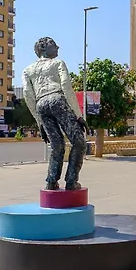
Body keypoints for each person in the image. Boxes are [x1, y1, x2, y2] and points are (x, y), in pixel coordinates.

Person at [22, 37, 89, 190]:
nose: (58, 47)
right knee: (79, 142)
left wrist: (39, 122)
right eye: (54, 45)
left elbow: (28, 95)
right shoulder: (58, 63)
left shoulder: (27, 70)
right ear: (43, 48)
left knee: (57, 145)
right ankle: (71, 181)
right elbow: (66, 86)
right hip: (57, 99)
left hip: (41, 104)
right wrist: (78, 115)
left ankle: (51, 181)